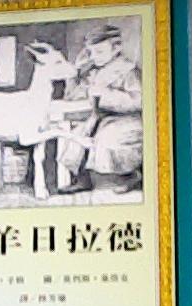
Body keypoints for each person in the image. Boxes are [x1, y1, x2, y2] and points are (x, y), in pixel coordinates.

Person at [58, 25, 143, 194]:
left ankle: (129, 177)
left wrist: (105, 94)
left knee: (108, 138)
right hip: (100, 118)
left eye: (99, 52)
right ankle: (83, 179)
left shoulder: (128, 70)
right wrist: (76, 73)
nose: (94, 57)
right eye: (90, 53)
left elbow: (138, 101)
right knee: (78, 137)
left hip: (127, 119)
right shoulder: (93, 72)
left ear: (116, 48)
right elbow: (72, 96)